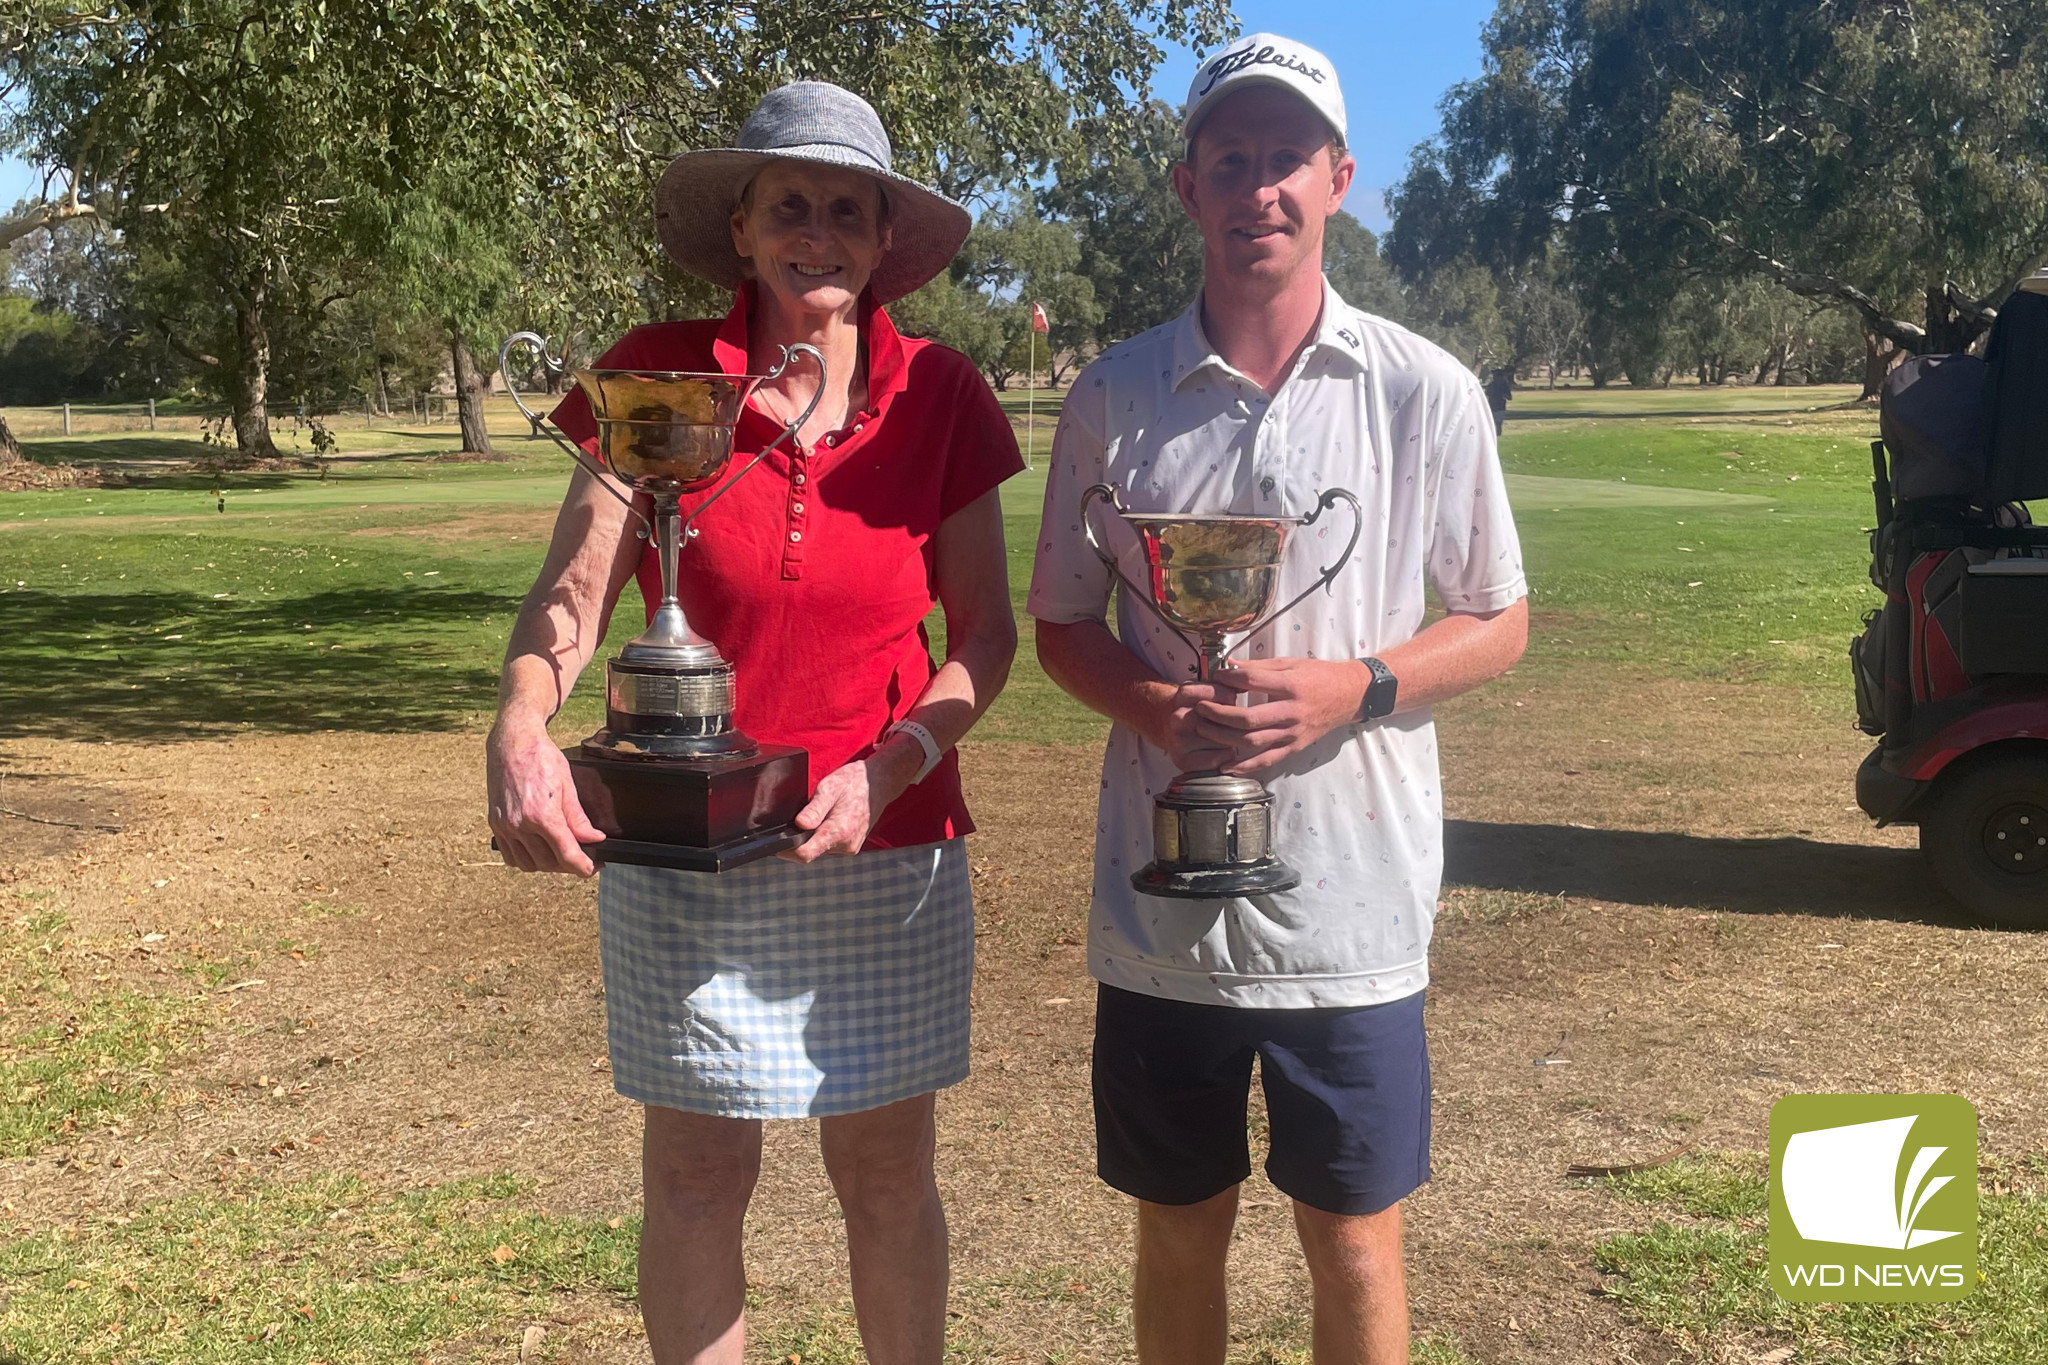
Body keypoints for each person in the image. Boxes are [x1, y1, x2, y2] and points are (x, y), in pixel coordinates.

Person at [485, 81, 1022, 1365]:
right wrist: (516, 727)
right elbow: (566, 600)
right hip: (683, 841)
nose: (818, 233)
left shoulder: (941, 391)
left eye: (848, 207)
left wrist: (893, 764)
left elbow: (984, 644)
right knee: (694, 1176)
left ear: (885, 237)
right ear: (741, 228)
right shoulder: (653, 377)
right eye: (791, 204)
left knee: (886, 1179)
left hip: (885, 842)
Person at [1027, 33, 1528, 1365]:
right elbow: (1064, 628)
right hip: (1161, 906)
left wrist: (1356, 686)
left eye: (1287, 160)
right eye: (1231, 161)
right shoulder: (1113, 394)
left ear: (1340, 179)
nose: (1261, 188)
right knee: (1179, 1226)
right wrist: (1149, 701)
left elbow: (1501, 619)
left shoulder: (1425, 388)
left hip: (1352, 904)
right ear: (1188, 184)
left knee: (1356, 1235)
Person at [1484, 366, 1514, 432]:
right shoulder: (1492, 385)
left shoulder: (1503, 385)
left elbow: (1509, 397)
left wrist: (1503, 395)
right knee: (1493, 423)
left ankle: (1497, 434)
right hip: (1493, 406)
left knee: (1498, 423)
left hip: (1499, 407)